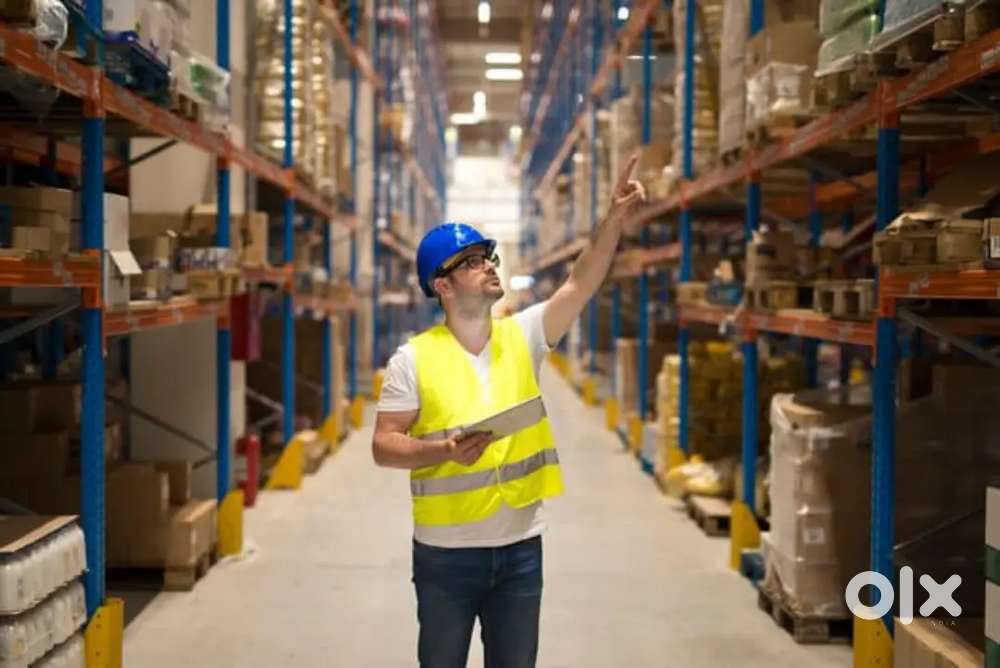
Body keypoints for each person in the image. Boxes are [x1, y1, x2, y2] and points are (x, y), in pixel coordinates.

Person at [372, 153, 646, 667]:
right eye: (473, 261)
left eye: (488, 257)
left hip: (521, 549)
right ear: (442, 285)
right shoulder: (413, 359)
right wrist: (443, 451)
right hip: (446, 556)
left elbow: (580, 282)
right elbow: (384, 445)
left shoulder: (524, 335)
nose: (489, 265)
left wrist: (613, 217)